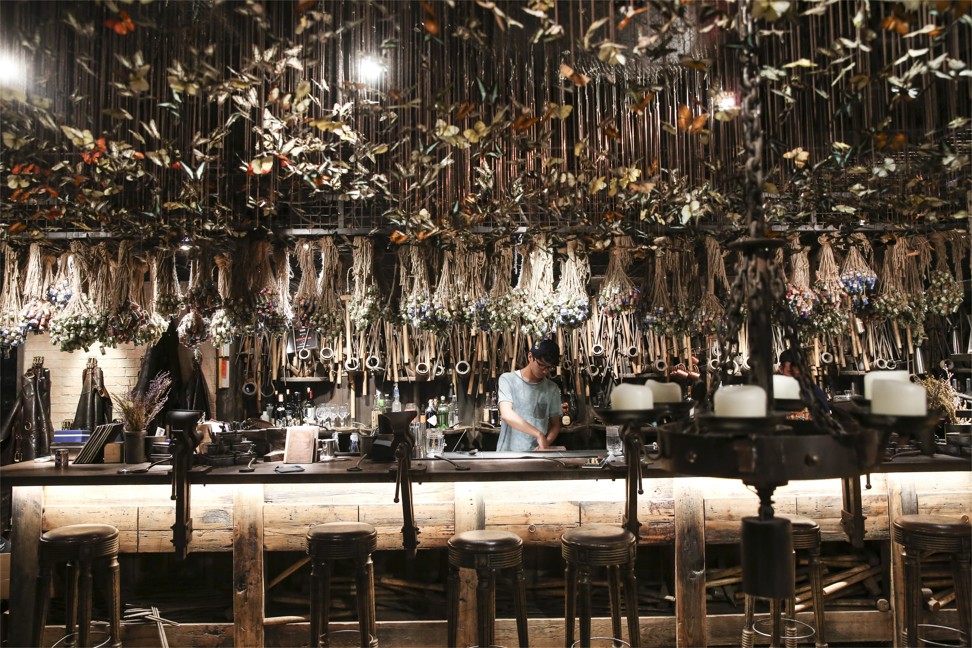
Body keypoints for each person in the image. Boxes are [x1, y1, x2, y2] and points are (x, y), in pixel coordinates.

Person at [496, 339, 563, 451]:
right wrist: (538, 434)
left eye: (549, 367)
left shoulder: (552, 389)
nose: (545, 371)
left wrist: (545, 443)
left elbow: (555, 424)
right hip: (507, 454)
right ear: (530, 357)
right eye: (541, 365)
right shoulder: (508, 380)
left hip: (536, 454)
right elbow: (506, 414)